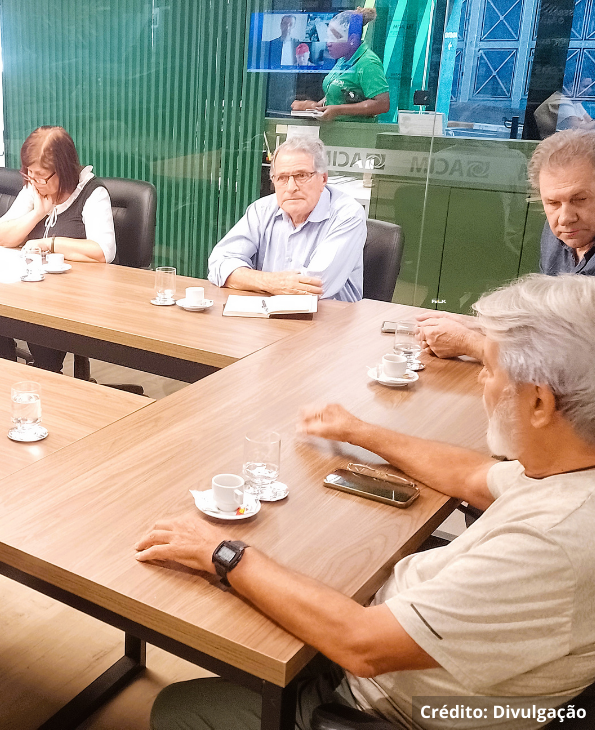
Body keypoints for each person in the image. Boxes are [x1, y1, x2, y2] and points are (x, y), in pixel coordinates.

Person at [137, 273, 595, 730]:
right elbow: (472, 476)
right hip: (413, 651)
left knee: (180, 708)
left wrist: (221, 551)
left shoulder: (554, 540)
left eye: (490, 369)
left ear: (539, 403)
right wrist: (358, 431)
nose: (482, 380)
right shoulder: (571, 464)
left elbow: (362, 644)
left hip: (385, 706)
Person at [418, 129, 595, 362]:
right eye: (552, 203)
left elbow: (575, 362)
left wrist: (472, 344)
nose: (564, 218)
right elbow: (549, 327)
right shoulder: (559, 235)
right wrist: (481, 328)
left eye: (580, 199)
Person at [0, 125, 116, 373]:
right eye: (30, 173)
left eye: (41, 176)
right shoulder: (35, 189)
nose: (35, 181)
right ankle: (4, 379)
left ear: (62, 170)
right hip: (31, 292)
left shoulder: (92, 194)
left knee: (42, 336)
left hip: (72, 301)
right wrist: (37, 213)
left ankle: (47, 380)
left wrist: (49, 243)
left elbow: (102, 251)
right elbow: (1, 236)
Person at [207, 135, 367, 302]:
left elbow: (315, 286)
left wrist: (247, 278)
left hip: (329, 321)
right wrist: (272, 283)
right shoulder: (262, 210)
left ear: (323, 179)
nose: (291, 188)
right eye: (282, 178)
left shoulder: (347, 214)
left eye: (302, 176)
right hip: (265, 317)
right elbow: (219, 264)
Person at [290, 8, 389, 122]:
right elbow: (339, 93)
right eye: (328, 37)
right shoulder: (343, 59)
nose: (328, 43)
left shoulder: (368, 63)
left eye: (334, 38)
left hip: (357, 134)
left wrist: (338, 110)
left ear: (352, 39)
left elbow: (382, 104)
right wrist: (314, 106)